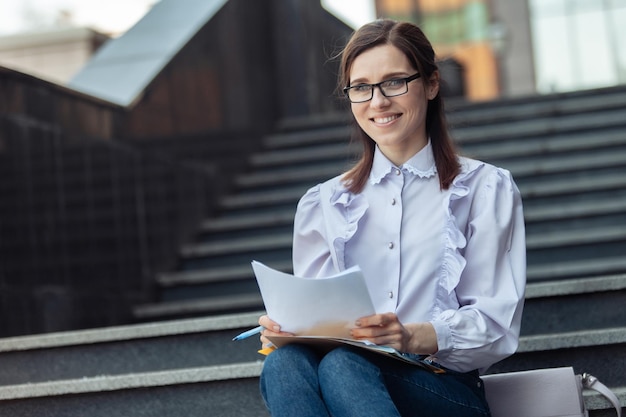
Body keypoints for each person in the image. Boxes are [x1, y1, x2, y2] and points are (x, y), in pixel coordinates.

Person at [258, 19, 526, 417]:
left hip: (444, 389)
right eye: (361, 87)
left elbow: (496, 326)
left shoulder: (486, 189)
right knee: (284, 364)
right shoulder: (323, 203)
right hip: (349, 375)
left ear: (431, 84)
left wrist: (410, 336)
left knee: (346, 365)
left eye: (394, 82)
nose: (378, 101)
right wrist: (290, 330)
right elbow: (320, 322)